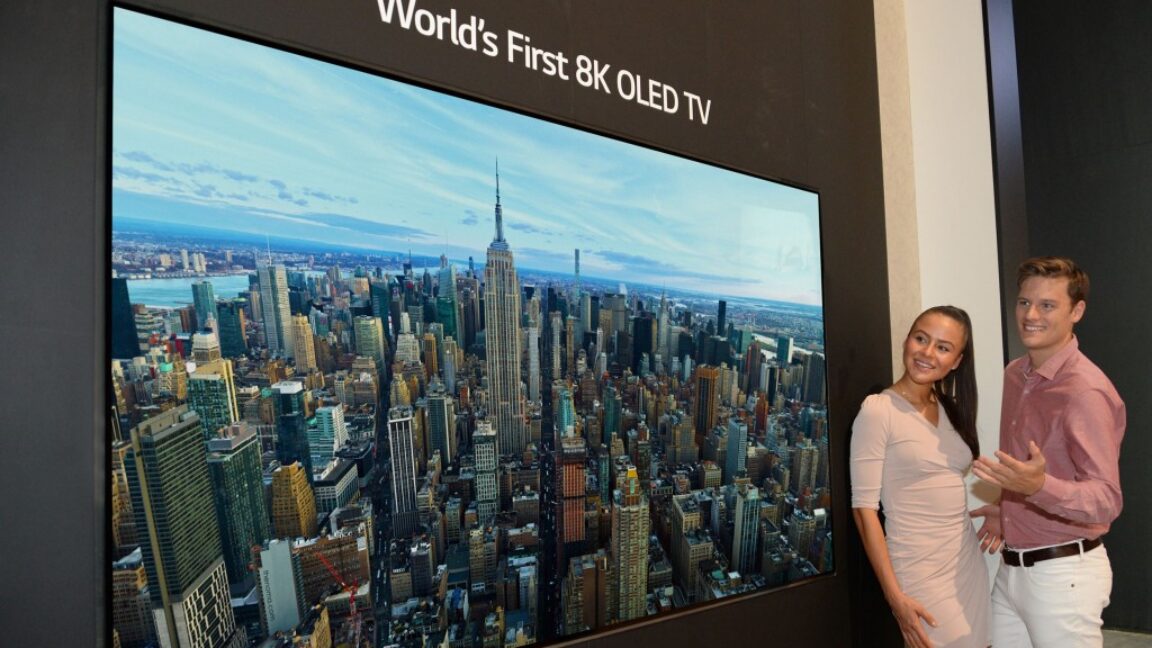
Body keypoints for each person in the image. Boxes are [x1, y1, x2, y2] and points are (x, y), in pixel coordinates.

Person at [971, 257, 1125, 647]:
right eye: (1024, 302)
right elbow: (1028, 472)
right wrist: (1010, 509)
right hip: (1012, 571)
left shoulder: (1084, 391)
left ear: (1077, 311)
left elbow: (1106, 500)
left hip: (1064, 577)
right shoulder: (1014, 373)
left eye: (1047, 305)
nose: (1031, 315)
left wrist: (1038, 487)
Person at [851, 305, 989, 648]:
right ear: (907, 340)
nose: (927, 353)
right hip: (918, 569)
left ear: (956, 361)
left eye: (943, 347)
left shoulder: (951, 408)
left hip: (966, 565)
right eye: (921, 339)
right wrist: (895, 598)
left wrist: (1004, 511)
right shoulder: (878, 410)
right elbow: (863, 510)